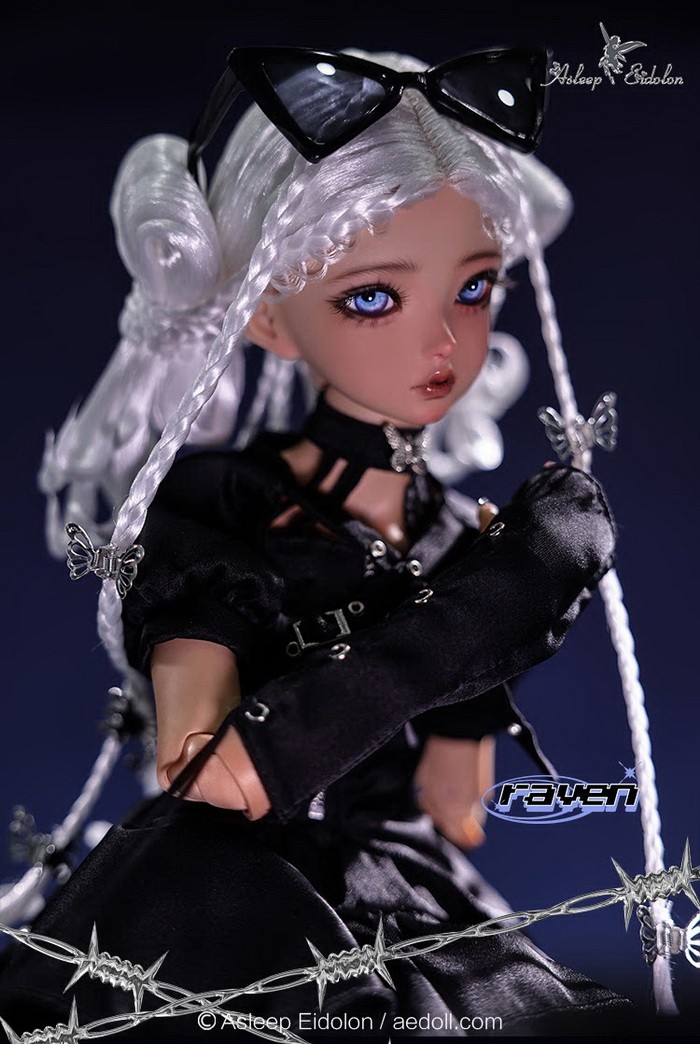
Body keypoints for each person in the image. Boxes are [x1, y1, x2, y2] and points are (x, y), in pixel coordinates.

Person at [0, 46, 632, 1038]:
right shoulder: (221, 515)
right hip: (233, 904)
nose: (442, 340)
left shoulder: (455, 530)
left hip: (402, 894)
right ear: (268, 316)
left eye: (474, 289)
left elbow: (453, 805)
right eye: (372, 297)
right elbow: (203, 772)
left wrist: (486, 624)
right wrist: (492, 605)